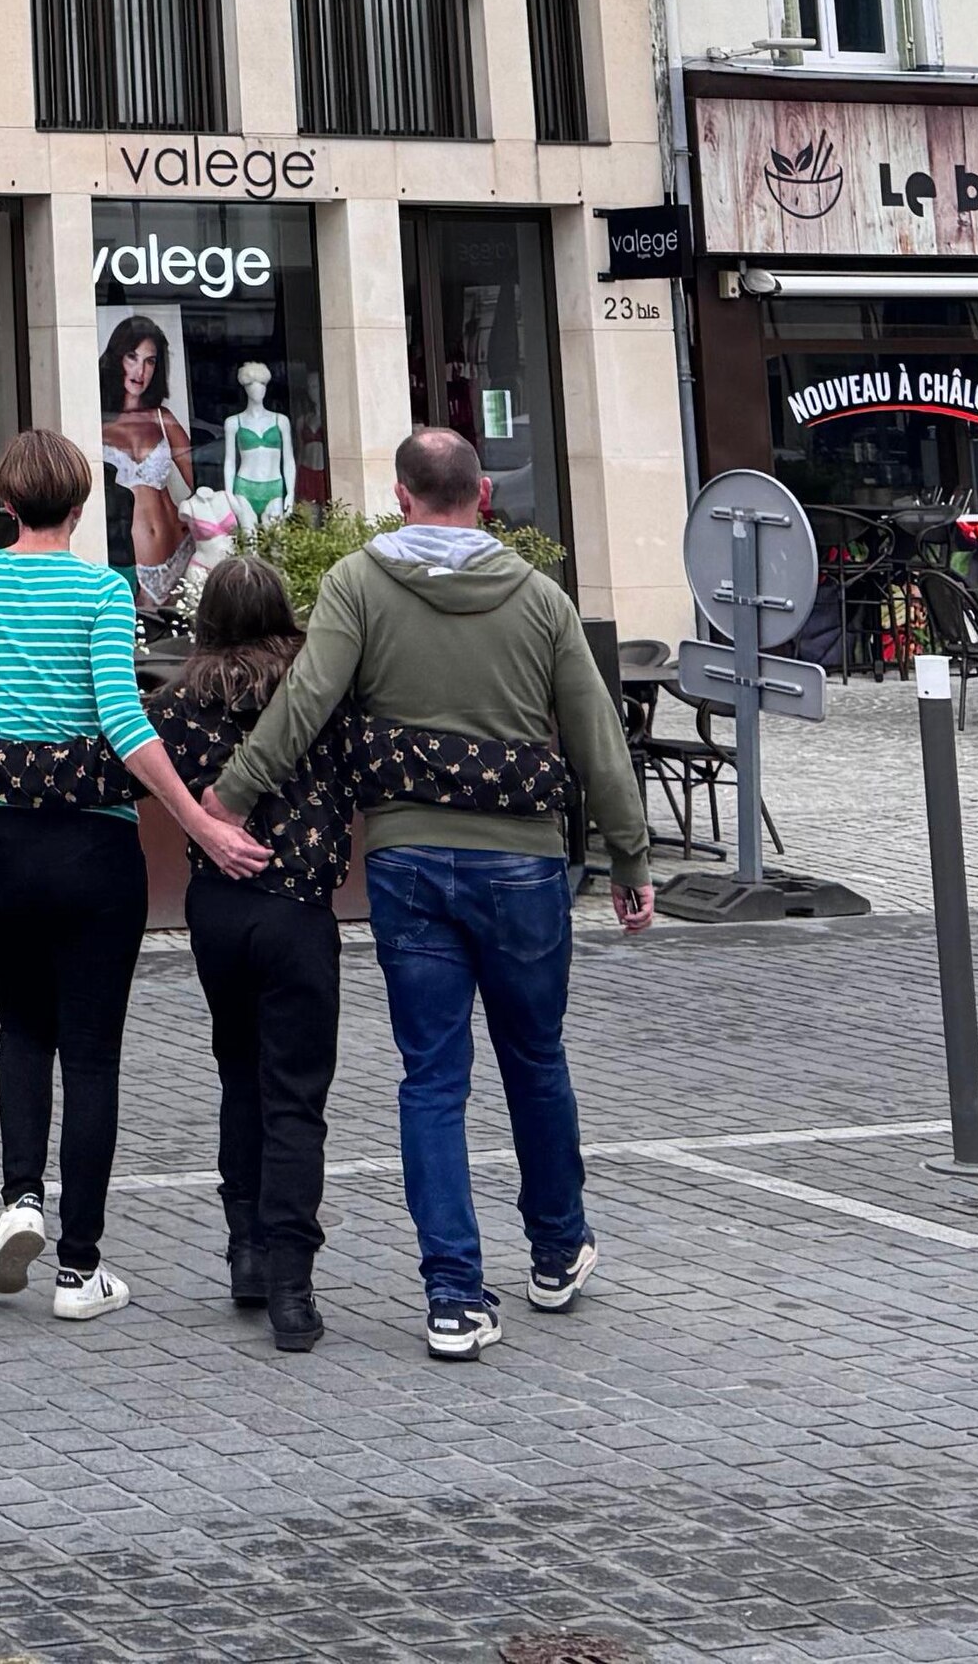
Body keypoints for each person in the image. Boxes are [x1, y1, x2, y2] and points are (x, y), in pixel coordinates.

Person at [212, 427, 652, 1363]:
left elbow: (307, 701)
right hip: (526, 864)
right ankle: (557, 1247)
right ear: (483, 495)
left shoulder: (359, 585)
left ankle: (453, 1295)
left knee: (432, 1080)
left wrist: (234, 793)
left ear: (405, 495)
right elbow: (595, 736)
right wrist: (631, 859)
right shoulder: (540, 600)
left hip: (409, 862)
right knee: (536, 1060)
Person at [0, 426, 271, 1322]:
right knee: (93, 1053)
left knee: (20, 1032)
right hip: (93, 848)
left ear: (4, 504)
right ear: (80, 506)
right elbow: (123, 724)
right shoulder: (102, 591)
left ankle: (19, 1199)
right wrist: (198, 820)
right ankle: (80, 1269)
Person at [152, 550, 339, 1352]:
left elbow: (111, 772)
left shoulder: (179, 701)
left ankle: (246, 1250)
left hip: (218, 911)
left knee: (239, 1076)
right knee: (294, 1095)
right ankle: (293, 1287)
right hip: (298, 910)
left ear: (208, 621)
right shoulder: (321, 694)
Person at [94, 314, 198, 617]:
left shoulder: (163, 419)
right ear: (117, 359)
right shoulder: (95, 423)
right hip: (123, 564)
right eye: (132, 357)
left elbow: (202, 484)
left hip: (175, 554)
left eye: (150, 361)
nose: (141, 370)